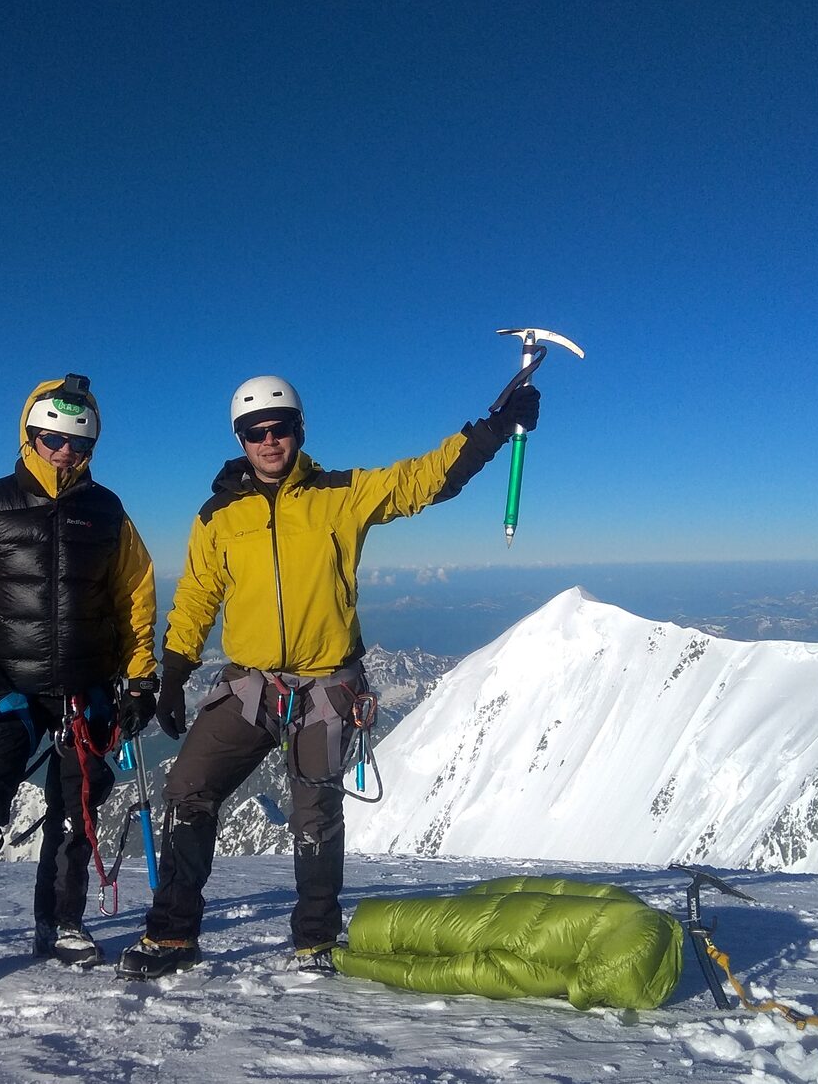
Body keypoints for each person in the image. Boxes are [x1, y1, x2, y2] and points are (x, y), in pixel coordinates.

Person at [117, 374, 540, 979]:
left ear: (298, 430)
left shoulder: (340, 494)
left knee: (314, 815)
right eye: (255, 433)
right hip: (248, 684)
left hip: (326, 685)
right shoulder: (217, 516)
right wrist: (176, 669)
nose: (269, 441)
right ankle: (173, 935)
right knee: (188, 789)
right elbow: (197, 595)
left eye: (279, 428)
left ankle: (314, 940)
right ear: (241, 440)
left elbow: (421, 480)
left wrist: (493, 429)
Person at [0, 374, 157, 1001]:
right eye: (51, 440)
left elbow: (135, 596)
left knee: (78, 811)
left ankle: (61, 922)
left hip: (84, 686)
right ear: (30, 435)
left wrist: (141, 675)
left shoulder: (107, 511)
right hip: (11, 685)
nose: (63, 453)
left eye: (76, 442)